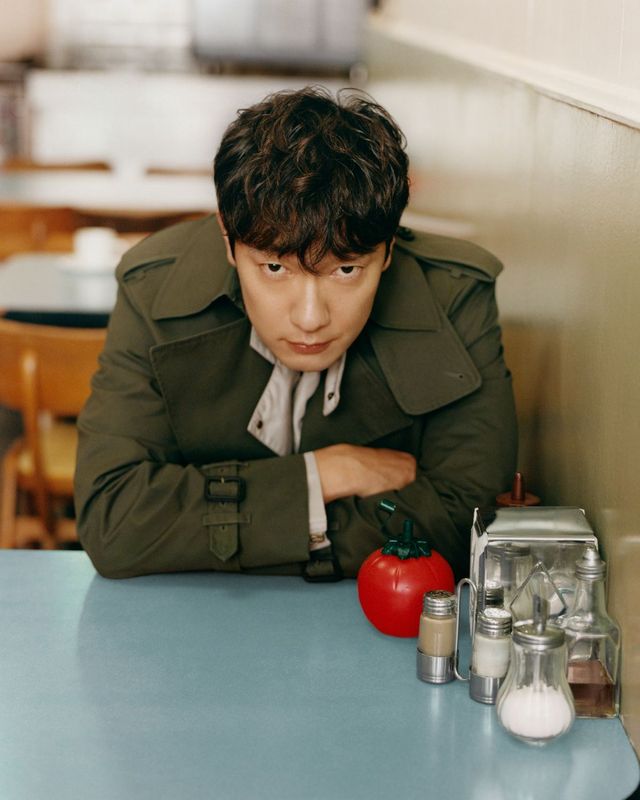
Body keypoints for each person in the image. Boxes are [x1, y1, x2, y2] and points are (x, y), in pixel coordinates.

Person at [75, 86, 517, 582]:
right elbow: (113, 520)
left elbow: (466, 526)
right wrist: (325, 473)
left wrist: (213, 526)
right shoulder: (152, 287)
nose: (310, 318)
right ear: (228, 239)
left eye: (346, 270)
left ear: (388, 249)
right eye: (274, 268)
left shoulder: (455, 296)